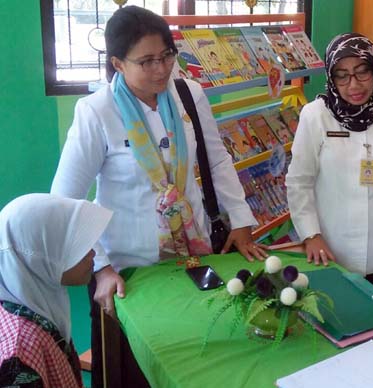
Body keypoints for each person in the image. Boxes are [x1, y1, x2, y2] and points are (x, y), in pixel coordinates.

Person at [50, 6, 266, 386]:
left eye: (167, 55)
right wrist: (100, 267)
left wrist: (242, 221)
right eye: (146, 61)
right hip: (128, 272)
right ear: (117, 63)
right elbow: (65, 200)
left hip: (192, 258)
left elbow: (216, 160)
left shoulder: (189, 94)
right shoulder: (96, 111)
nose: (161, 70)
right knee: (130, 373)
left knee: (193, 361)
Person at [286, 33, 373, 303]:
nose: (354, 85)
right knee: (335, 329)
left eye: (362, 73)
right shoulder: (315, 116)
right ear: (331, 77)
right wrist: (311, 235)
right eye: (342, 75)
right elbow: (299, 181)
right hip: (330, 250)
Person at [0, 194, 112, 388]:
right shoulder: (20, 358)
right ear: (39, 258)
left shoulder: (37, 308)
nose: (92, 253)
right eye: (77, 246)